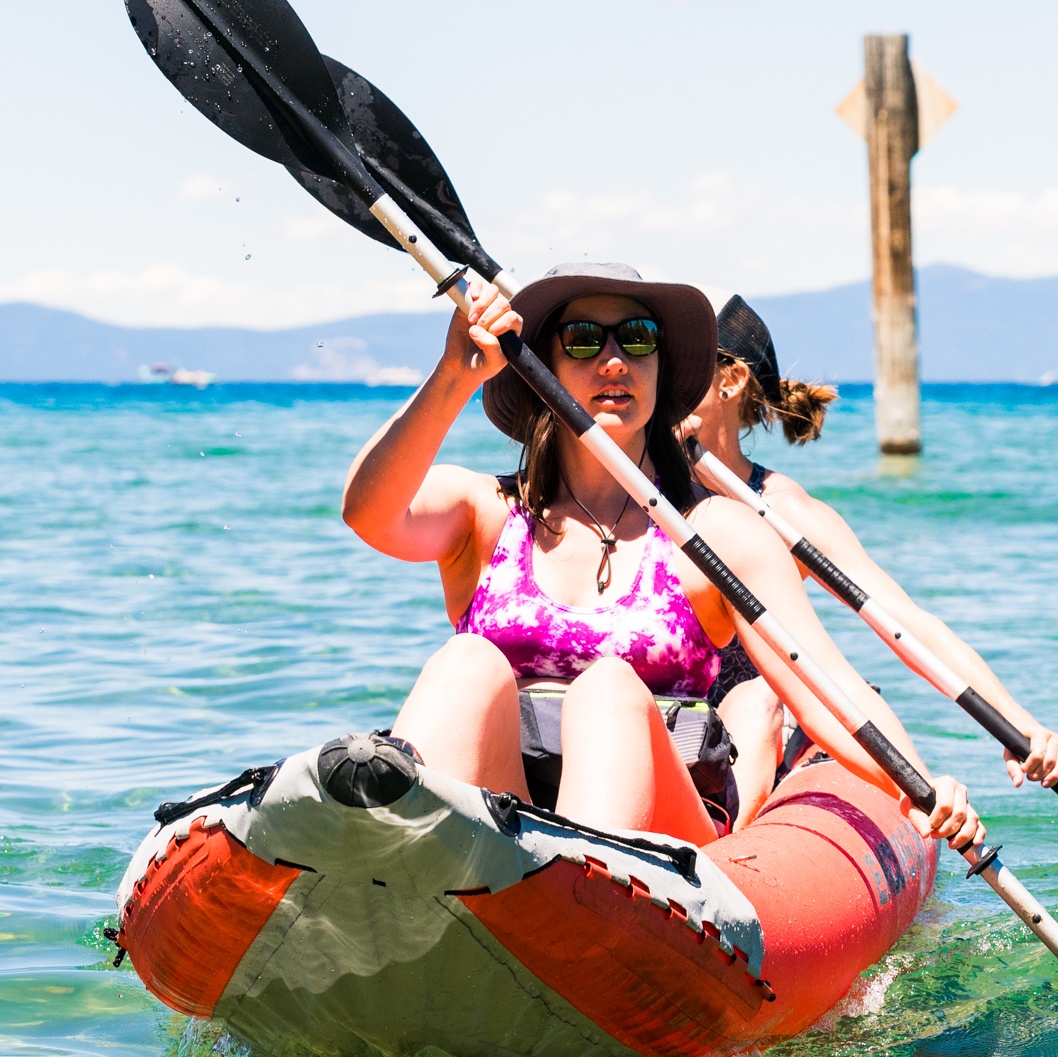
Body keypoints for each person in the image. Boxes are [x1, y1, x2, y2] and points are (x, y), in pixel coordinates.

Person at [341, 263, 982, 852]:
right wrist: (454, 374)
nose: (614, 360)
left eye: (638, 338)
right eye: (584, 340)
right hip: (507, 822)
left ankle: (583, 891)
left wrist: (920, 786)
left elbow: (824, 685)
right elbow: (368, 513)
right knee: (466, 661)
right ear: (543, 368)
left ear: (659, 368)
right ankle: (392, 874)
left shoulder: (712, 535)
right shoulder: (485, 512)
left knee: (609, 689)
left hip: (661, 836)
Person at [685, 295, 1058, 826]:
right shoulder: (628, 491)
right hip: (663, 725)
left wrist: (1011, 720)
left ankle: (734, 849)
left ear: (729, 382)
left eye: (679, 360)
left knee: (758, 700)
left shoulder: (783, 510)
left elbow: (905, 624)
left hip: (755, 729)